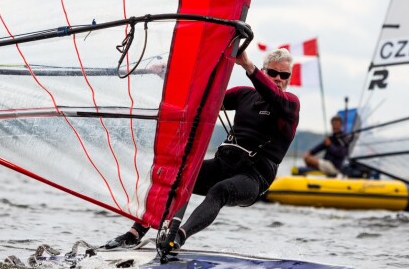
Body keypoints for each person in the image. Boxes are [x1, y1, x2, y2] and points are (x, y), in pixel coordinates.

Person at [105, 48, 300, 249]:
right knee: (174, 178)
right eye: (272, 73)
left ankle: (179, 237)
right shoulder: (245, 94)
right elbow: (204, 96)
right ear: (265, 72)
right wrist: (169, 76)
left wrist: (248, 65)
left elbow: (274, 96)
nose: (278, 79)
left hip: (253, 176)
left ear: (289, 78)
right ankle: (134, 233)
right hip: (223, 164)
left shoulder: (290, 104)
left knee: (220, 190)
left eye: (284, 75)